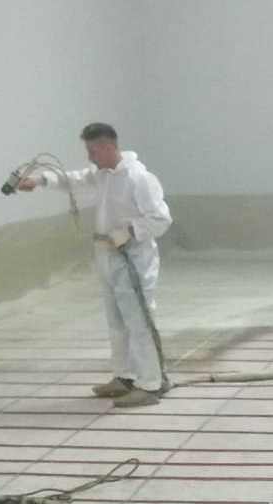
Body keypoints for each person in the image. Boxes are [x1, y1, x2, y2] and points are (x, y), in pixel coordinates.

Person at [18, 123, 173, 408]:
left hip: (134, 259)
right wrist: (40, 180)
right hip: (108, 255)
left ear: (109, 147)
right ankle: (125, 376)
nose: (90, 157)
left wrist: (130, 231)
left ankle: (151, 384)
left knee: (138, 321)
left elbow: (161, 218)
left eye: (93, 151)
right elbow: (73, 179)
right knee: (117, 321)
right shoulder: (102, 175)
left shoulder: (138, 178)